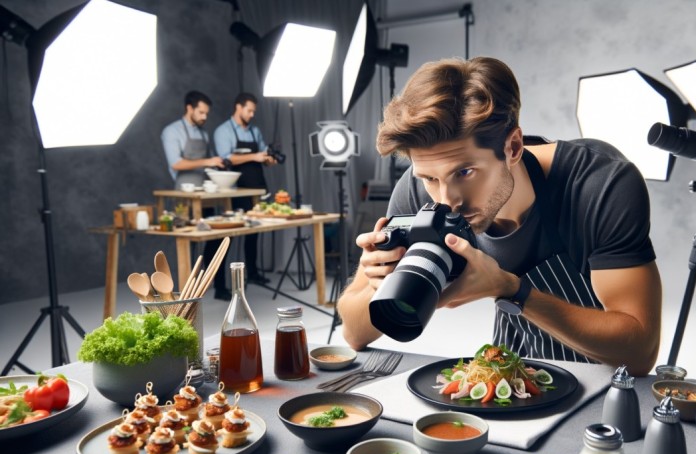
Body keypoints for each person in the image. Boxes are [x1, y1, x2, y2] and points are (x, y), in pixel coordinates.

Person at [337, 57, 662, 375]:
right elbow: (353, 333)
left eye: (465, 172)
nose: (447, 200)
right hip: (514, 368)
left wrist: (512, 290)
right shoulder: (418, 191)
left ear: (514, 147)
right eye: (430, 178)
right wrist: (379, 282)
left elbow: (638, 354)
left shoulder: (598, 185)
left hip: (607, 376)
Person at [161, 91, 230, 300]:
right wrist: (208, 161)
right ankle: (188, 294)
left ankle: (218, 285)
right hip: (184, 195)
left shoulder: (203, 133)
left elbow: (207, 163)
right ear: (189, 108)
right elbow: (176, 163)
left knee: (215, 237)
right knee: (188, 242)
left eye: (206, 113)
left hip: (205, 193)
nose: (204, 117)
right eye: (201, 112)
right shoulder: (171, 132)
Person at [213, 92, 277, 284]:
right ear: (238, 107)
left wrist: (268, 159)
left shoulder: (254, 131)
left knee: (254, 232)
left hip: (257, 187)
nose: (251, 115)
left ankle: (254, 274)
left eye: (253, 111)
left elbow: (263, 153)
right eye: (249, 110)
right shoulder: (223, 131)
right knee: (228, 235)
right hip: (235, 190)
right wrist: (255, 156)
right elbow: (226, 158)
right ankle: (220, 283)